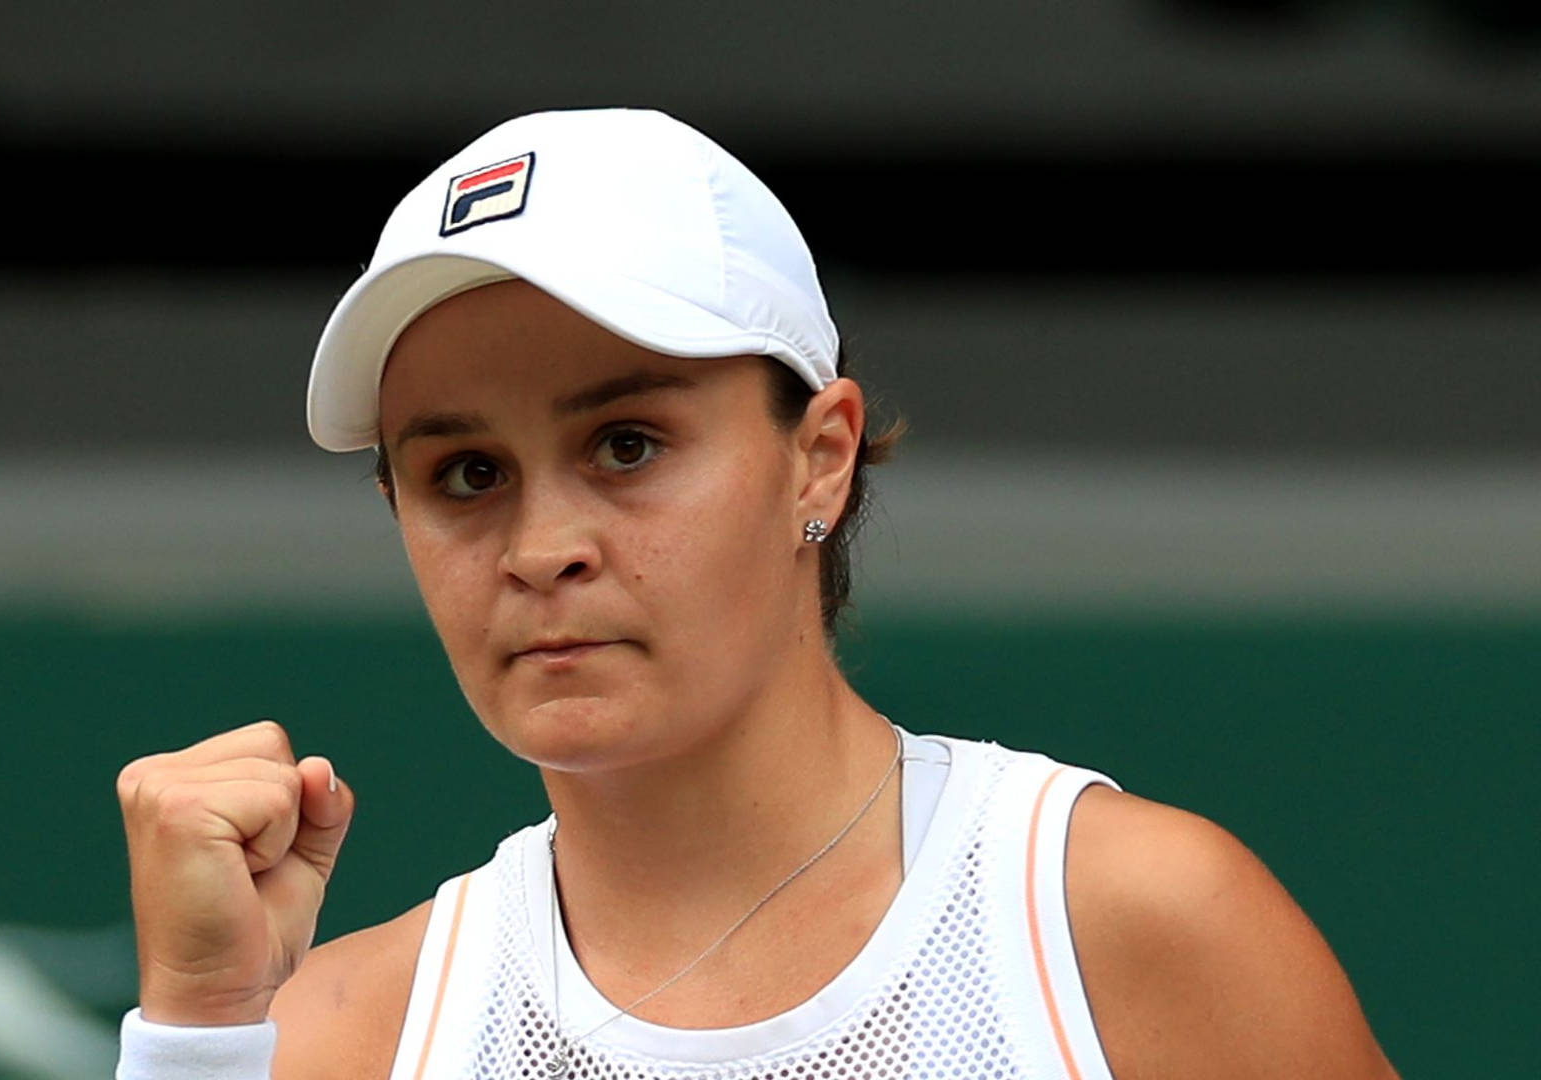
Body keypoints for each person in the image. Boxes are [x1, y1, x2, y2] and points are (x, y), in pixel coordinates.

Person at [113, 108, 1398, 1079]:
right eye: (465, 472)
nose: (539, 544)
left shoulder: (1135, 925)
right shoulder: (336, 1035)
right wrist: (196, 1032)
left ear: (819, 454)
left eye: (627, 444)